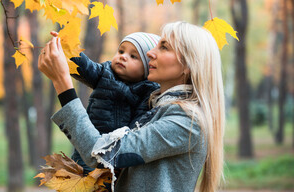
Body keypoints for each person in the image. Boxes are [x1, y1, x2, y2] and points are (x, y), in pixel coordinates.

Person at [38, 21, 225, 192]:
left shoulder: (186, 121)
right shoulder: (156, 107)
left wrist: (62, 82)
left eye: (164, 47)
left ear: (188, 65)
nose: (151, 53)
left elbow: (102, 155)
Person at [68, 32, 161, 173]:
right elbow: (85, 67)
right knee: (80, 177)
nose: (123, 56)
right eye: (121, 51)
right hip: (88, 145)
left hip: (114, 155)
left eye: (133, 56)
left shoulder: (147, 92)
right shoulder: (105, 73)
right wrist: (68, 49)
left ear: (147, 69)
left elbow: (137, 126)